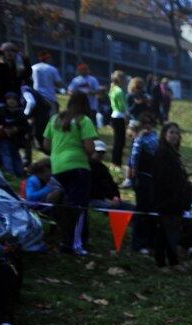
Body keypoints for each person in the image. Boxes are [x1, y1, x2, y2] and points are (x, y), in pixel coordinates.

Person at [42, 91, 98, 254]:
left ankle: (71, 238)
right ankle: (74, 244)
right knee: (79, 206)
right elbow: (89, 148)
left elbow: (46, 145)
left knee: (67, 204)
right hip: (78, 166)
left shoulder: (55, 119)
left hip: (58, 167)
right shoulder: (84, 120)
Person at [151, 122, 192, 271]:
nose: (175, 136)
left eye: (177, 133)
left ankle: (173, 261)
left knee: (172, 232)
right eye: (171, 132)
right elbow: (162, 178)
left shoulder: (173, 152)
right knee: (164, 232)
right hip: (166, 199)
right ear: (164, 134)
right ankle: (160, 262)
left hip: (176, 199)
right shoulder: (162, 152)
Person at [129, 112, 160, 253]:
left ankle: (150, 240)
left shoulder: (156, 137)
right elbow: (134, 157)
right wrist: (134, 171)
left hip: (154, 177)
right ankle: (139, 242)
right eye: (144, 123)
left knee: (151, 210)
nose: (146, 126)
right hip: (144, 177)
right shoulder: (141, 139)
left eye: (149, 123)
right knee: (142, 210)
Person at [89, 140, 134, 210]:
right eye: (98, 152)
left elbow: (112, 184)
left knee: (132, 208)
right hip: (95, 199)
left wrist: (116, 197)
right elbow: (91, 189)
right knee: (112, 208)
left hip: (110, 199)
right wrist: (105, 199)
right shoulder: (87, 168)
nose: (100, 154)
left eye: (102, 152)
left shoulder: (103, 168)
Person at [107, 70, 129, 170]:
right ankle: (117, 163)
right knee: (120, 141)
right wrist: (128, 115)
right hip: (119, 116)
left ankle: (115, 162)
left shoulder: (113, 89)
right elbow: (122, 106)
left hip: (115, 116)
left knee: (117, 141)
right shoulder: (119, 91)